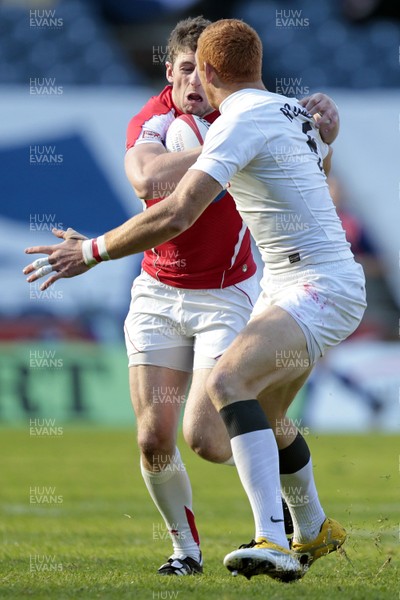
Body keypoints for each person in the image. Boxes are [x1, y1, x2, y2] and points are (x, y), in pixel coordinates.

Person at [23, 18, 350, 582]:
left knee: (213, 429)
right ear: (168, 70)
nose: (196, 82)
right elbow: (148, 180)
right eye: (184, 70)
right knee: (176, 430)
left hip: (247, 288)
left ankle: (273, 537)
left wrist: (93, 250)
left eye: (205, 70)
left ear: (218, 71)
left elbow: (178, 211)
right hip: (170, 288)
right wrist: (306, 133)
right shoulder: (213, 117)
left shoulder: (243, 121)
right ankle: (258, 537)